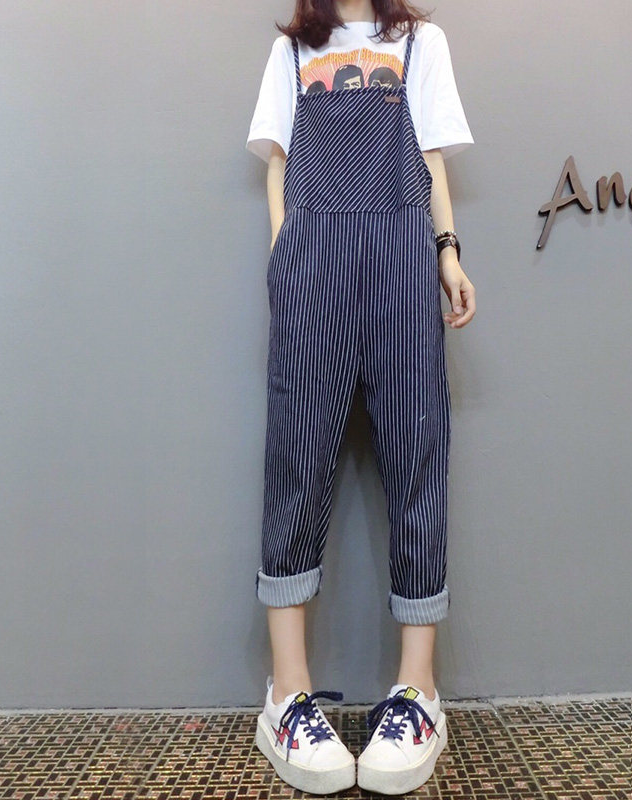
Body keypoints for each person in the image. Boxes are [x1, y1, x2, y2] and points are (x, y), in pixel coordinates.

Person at [245, 0, 475, 794]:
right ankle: (287, 695)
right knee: (297, 460)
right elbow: (278, 163)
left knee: (417, 456)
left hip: (403, 258)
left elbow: (431, 160)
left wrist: (448, 253)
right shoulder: (290, 53)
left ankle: (418, 692)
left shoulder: (420, 43)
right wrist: (286, 253)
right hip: (312, 263)